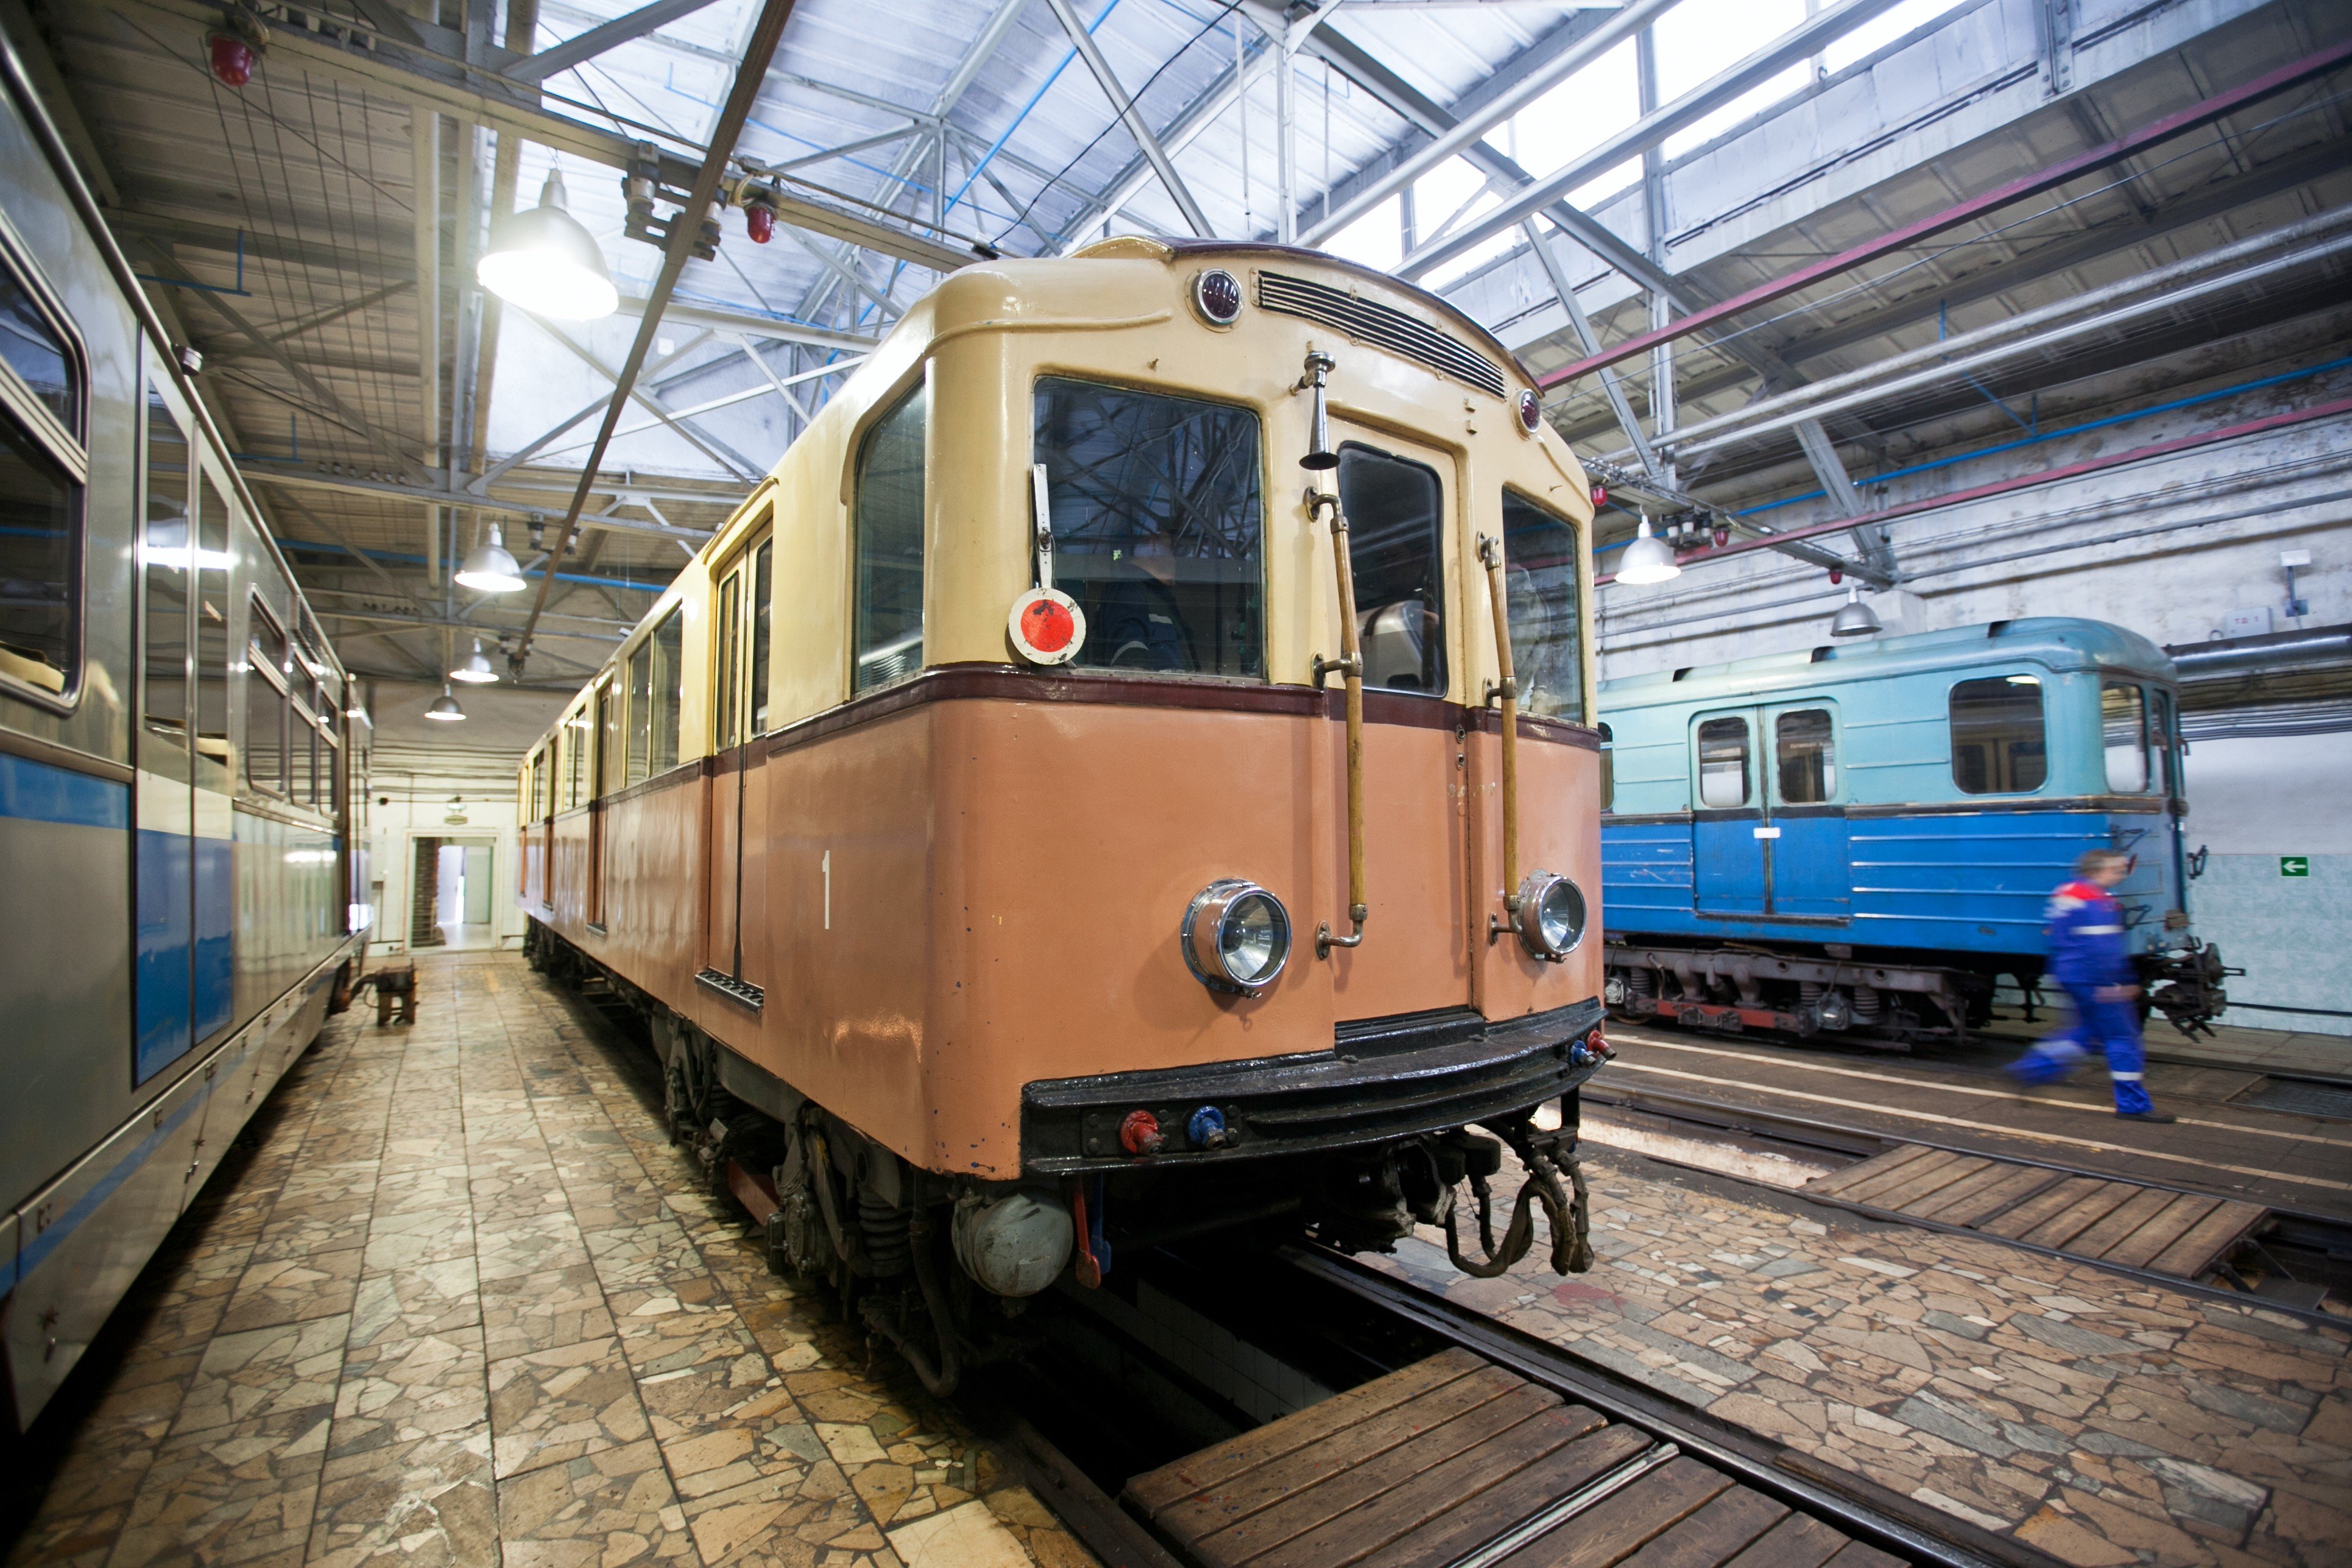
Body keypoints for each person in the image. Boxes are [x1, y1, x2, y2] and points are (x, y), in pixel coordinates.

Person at [2009, 849, 2175, 1122]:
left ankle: (2034, 1068)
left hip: (2070, 972)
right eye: (2116, 871)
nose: (2120, 876)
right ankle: (2133, 1105)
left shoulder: (2067, 892)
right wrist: (2118, 983)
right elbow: (2103, 949)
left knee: (2088, 1032)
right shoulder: (2095, 900)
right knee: (2123, 1037)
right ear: (2098, 871)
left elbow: (2056, 936)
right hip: (2095, 978)